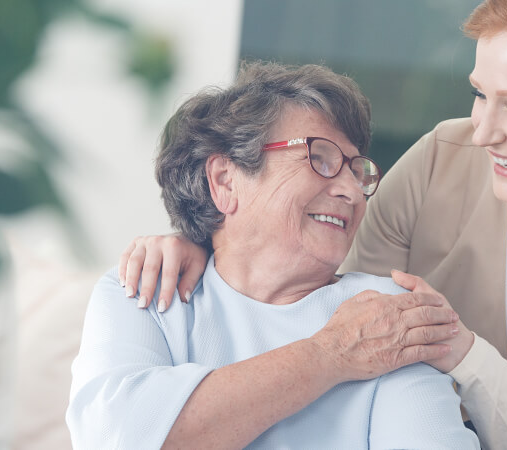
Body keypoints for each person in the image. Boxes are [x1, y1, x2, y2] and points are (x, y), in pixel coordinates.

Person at [119, 0, 507, 448]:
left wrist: (465, 354)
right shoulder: (443, 159)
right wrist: (206, 240)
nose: (482, 133)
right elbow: (326, 303)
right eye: (480, 94)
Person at [66, 61, 480, 449]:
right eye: (320, 160)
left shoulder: (387, 318)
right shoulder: (147, 289)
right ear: (226, 181)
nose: (353, 192)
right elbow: (113, 436)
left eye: (357, 171)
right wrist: (331, 353)